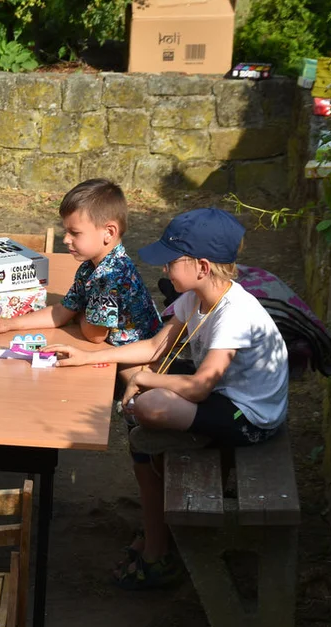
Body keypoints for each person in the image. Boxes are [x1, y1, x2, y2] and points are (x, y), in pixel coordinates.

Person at [48, 208, 289, 589]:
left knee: (147, 406)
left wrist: (145, 379)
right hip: (223, 395)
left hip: (250, 417)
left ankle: (160, 544)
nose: (162, 270)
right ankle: (158, 532)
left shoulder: (235, 315)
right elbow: (156, 345)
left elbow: (199, 388)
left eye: (170, 262)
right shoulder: (194, 296)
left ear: (203, 266)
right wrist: (90, 357)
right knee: (143, 413)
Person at [0, 178, 161, 386]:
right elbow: (61, 311)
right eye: (66, 231)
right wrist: (9, 324)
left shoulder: (109, 276)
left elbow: (95, 335)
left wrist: (79, 315)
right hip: (115, 353)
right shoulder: (91, 266)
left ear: (109, 232)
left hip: (140, 362)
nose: (66, 239)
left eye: (75, 233)